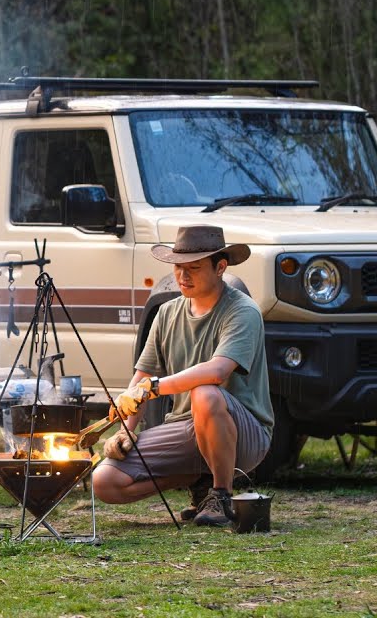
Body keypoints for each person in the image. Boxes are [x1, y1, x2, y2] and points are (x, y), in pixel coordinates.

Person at [92, 224, 274, 527]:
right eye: (178, 267)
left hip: (245, 433)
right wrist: (125, 429)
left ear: (221, 268)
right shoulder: (167, 313)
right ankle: (198, 480)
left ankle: (221, 495)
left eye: (194, 268)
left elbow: (217, 371)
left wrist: (155, 388)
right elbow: (142, 378)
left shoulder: (243, 311)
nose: (182, 276)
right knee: (105, 481)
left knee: (204, 393)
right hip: (184, 429)